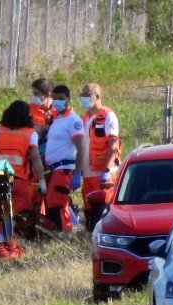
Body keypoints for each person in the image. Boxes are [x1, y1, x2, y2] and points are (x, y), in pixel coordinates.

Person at [0, 100, 47, 242]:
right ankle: (14, 247)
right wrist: (42, 181)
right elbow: (36, 159)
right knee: (21, 218)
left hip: (0, 181)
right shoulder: (30, 134)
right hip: (20, 183)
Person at [43, 84, 85, 234]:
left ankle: (63, 232)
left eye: (60, 99)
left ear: (68, 99)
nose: (56, 102)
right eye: (54, 99)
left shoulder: (74, 120)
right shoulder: (58, 118)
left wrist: (78, 173)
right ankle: (65, 229)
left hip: (65, 168)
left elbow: (81, 147)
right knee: (54, 201)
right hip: (56, 168)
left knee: (57, 201)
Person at [79, 83, 121, 231]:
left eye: (86, 95)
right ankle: (88, 236)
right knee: (89, 208)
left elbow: (113, 145)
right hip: (88, 172)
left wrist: (106, 170)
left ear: (97, 97)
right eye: (81, 96)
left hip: (103, 174)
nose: (82, 99)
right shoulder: (84, 118)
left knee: (102, 208)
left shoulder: (108, 116)